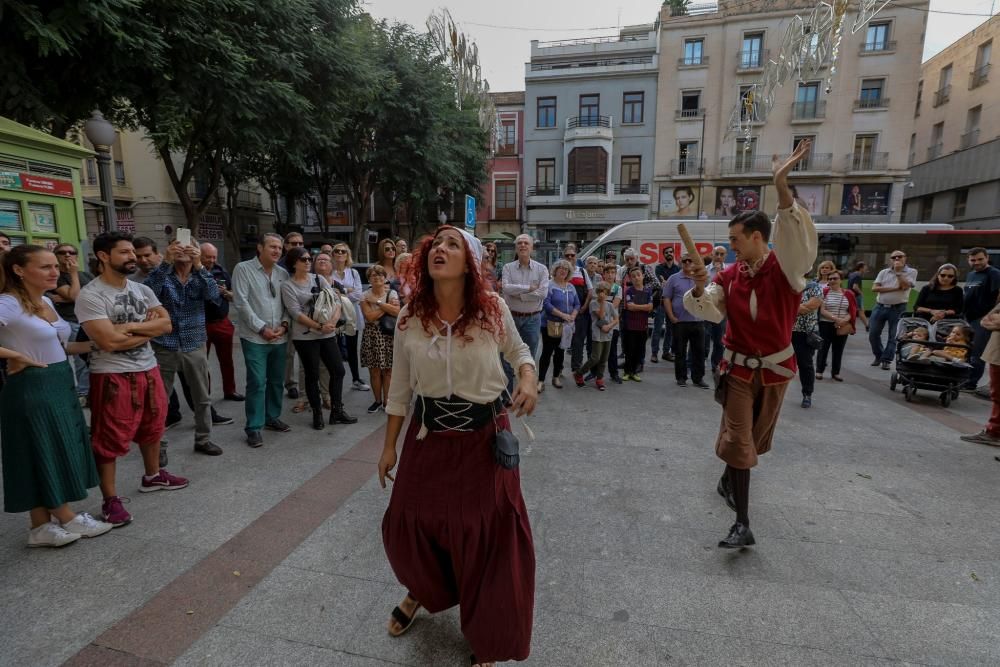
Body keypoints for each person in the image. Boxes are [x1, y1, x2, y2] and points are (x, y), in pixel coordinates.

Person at [378, 226, 538, 667]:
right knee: (408, 526)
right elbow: (399, 390)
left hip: (484, 439)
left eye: (452, 244)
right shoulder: (410, 315)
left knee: (485, 536)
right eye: (435, 245)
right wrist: (389, 447)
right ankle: (424, 589)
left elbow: (521, 351)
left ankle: (486, 632)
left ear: (469, 262)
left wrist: (528, 378)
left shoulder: (492, 310)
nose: (440, 250)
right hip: (427, 437)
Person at [685, 140, 817, 549]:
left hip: (776, 371)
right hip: (737, 370)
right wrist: (699, 289)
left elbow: (796, 237)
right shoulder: (729, 275)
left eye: (736, 238)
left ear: (758, 237)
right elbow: (712, 311)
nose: (731, 245)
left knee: (755, 444)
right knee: (741, 442)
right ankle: (743, 523)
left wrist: (781, 186)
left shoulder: (787, 269)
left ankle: (729, 475)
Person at [1, 245, 114, 547]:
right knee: (44, 449)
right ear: (19, 270)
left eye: (55, 266)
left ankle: (40, 527)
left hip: (59, 382)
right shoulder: (8, 303)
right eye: (46, 267)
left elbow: (62, 347)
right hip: (32, 387)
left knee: (45, 451)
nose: (55, 271)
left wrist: (102, 344)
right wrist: (13, 355)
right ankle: (66, 516)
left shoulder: (46, 302)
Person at [76, 231, 188, 527]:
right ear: (103, 256)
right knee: (109, 438)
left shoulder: (141, 289)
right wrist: (144, 329)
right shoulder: (91, 295)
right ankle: (110, 500)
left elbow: (166, 325)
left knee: (154, 425)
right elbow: (108, 342)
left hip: (148, 369)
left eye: (133, 253)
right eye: (124, 252)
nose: (133, 258)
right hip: (111, 374)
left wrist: (127, 329)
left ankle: (152, 476)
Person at [144, 237, 228, 456]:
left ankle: (203, 439)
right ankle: (158, 446)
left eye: (188, 246)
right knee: (159, 400)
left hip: (194, 343)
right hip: (164, 344)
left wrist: (199, 264)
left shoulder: (201, 275)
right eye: (177, 245)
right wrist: (165, 263)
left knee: (202, 396)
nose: (183, 250)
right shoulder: (162, 275)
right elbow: (146, 294)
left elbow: (213, 295)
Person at [281, 247, 357, 430]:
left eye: (309, 259)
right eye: (303, 259)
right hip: (305, 337)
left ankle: (337, 411)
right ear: (293, 263)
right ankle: (317, 413)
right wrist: (319, 327)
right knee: (312, 374)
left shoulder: (319, 279)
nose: (308, 262)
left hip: (327, 333)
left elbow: (336, 301)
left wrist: (331, 322)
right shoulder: (287, 285)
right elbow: (295, 313)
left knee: (338, 371)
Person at [232, 233, 292, 448]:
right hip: (255, 337)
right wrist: (262, 328)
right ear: (260, 248)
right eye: (272, 247)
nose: (277, 251)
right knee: (257, 382)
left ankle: (271, 417)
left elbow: (288, 303)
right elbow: (241, 303)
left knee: (276, 381)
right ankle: (254, 427)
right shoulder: (243, 269)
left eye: (279, 247)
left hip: (279, 337)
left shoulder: (283, 274)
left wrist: (284, 325)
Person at [500, 234, 548, 393]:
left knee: (529, 356)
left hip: (532, 318)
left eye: (526, 243)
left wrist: (518, 294)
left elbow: (542, 293)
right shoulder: (508, 267)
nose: (522, 245)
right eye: (519, 243)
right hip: (511, 317)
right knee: (507, 356)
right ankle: (507, 393)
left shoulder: (542, 269)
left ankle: (524, 391)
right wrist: (528, 289)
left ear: (532, 247)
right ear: (516, 247)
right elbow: (506, 288)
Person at [49, 243, 94, 405]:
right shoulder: (57, 276)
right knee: (81, 360)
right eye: (62, 252)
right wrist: (73, 275)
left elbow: (96, 296)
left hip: (88, 320)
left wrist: (68, 297)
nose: (67, 255)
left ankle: (87, 391)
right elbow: (75, 296)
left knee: (90, 357)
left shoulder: (87, 275)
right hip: (71, 321)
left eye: (71, 252)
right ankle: (83, 393)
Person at [200, 242, 243, 401]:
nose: (211, 260)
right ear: (199, 255)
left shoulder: (220, 270)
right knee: (203, 363)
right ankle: (205, 395)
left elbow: (234, 294)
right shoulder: (193, 271)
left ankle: (230, 390)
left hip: (222, 321)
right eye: (207, 257)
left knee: (227, 360)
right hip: (202, 323)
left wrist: (226, 293)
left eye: (214, 257)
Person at [329, 242, 370, 392]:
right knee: (335, 350)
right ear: (332, 255)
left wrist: (341, 291)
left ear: (347, 256)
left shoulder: (353, 273)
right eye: (337, 251)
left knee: (352, 349)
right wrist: (348, 290)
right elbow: (330, 295)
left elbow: (358, 295)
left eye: (343, 251)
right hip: (334, 317)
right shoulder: (328, 273)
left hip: (352, 316)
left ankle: (356, 379)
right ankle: (334, 382)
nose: (340, 254)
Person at [360, 264, 400, 413]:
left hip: (388, 335)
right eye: (373, 275)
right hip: (372, 335)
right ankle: (377, 401)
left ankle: (386, 401)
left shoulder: (392, 293)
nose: (377, 278)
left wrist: (377, 303)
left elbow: (397, 312)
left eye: (380, 275)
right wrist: (386, 307)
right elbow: (369, 317)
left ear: (385, 278)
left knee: (388, 370)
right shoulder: (364, 295)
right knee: (375, 371)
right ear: (369, 279)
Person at [664, 254, 708, 388]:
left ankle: (698, 379)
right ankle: (681, 377)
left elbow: (709, 295)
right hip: (680, 321)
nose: (688, 263)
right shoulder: (673, 278)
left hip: (698, 321)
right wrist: (671, 317)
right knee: (680, 351)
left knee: (699, 352)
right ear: (680, 262)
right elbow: (666, 298)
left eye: (691, 261)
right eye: (685, 261)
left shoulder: (700, 278)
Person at [868, 250, 917, 371]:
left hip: (898, 307)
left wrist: (899, 273)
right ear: (890, 259)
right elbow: (874, 288)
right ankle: (879, 355)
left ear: (905, 258)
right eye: (893, 257)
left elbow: (905, 286)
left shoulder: (911, 272)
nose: (896, 259)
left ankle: (886, 360)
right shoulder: (884, 272)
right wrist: (895, 288)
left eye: (899, 257)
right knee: (873, 334)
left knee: (893, 335)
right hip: (880, 306)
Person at [960, 303, 1000, 446]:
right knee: (997, 394)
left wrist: (996, 321)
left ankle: (994, 432)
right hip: (996, 353)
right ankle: (993, 432)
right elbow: (985, 320)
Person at [962, 247, 1000, 391]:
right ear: (968, 260)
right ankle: (964, 379)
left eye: (980, 259)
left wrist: (991, 314)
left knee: (976, 353)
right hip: (968, 318)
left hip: (982, 319)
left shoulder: (994, 273)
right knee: (966, 351)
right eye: (973, 260)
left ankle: (971, 383)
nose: (976, 262)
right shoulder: (971, 274)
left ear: (987, 257)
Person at [538, 259, 579, 390]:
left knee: (560, 352)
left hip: (566, 326)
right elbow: (546, 304)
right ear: (555, 270)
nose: (563, 270)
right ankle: (540, 380)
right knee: (547, 353)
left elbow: (577, 304)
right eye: (560, 268)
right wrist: (563, 315)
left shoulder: (571, 287)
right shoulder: (549, 285)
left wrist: (573, 315)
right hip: (550, 325)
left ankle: (556, 377)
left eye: (566, 269)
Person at [574, 282, 618, 390]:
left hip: (608, 334)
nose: (602, 294)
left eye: (605, 292)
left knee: (604, 359)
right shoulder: (593, 303)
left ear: (608, 293)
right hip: (597, 334)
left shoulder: (610, 305)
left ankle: (599, 379)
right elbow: (601, 316)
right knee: (595, 358)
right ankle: (579, 373)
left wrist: (610, 326)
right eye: (600, 292)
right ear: (597, 292)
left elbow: (616, 318)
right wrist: (602, 302)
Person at [277, 232, 305, 398]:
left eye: (300, 243)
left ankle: (305, 387)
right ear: (286, 246)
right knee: (288, 354)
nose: (298, 247)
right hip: (285, 317)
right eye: (294, 244)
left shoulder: (307, 262)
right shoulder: (279, 267)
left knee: (305, 355)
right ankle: (290, 384)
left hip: (304, 317)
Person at [815, 272, 857, 382]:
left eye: (835, 278)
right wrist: (836, 319)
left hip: (842, 325)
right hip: (826, 324)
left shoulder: (849, 294)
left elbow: (852, 311)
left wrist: (843, 320)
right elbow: (822, 310)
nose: (832, 280)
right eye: (830, 279)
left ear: (840, 280)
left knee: (838, 350)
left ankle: (836, 373)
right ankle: (819, 371)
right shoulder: (824, 292)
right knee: (823, 348)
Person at [791, 274, 823, 408]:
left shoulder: (815, 287)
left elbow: (811, 306)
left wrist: (788, 308)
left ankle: (807, 394)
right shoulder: (788, 286)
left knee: (805, 365)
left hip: (805, 333)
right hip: (786, 331)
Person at [622, 266, 653, 381]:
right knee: (629, 349)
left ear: (643, 276)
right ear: (630, 278)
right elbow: (630, 307)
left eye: (638, 275)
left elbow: (650, 307)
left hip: (642, 326)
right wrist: (643, 307)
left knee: (639, 350)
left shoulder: (647, 291)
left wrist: (637, 307)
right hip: (630, 325)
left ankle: (634, 372)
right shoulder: (629, 291)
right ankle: (627, 371)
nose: (636, 278)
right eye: (633, 276)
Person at [652, 247, 679, 363]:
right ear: (664, 255)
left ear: (673, 254)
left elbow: (674, 284)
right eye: (666, 252)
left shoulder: (677, 268)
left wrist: (667, 282)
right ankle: (654, 353)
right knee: (657, 328)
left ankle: (666, 352)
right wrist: (668, 283)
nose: (669, 254)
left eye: (671, 252)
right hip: (660, 302)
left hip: (672, 303)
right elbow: (660, 283)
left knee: (670, 329)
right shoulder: (658, 267)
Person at [705, 246, 729, 370]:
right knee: (703, 340)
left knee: (719, 342)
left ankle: (716, 365)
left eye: (722, 254)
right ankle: (699, 364)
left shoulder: (729, 271)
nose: (719, 256)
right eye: (717, 254)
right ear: (712, 255)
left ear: (725, 256)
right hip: (705, 310)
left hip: (720, 312)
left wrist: (721, 274)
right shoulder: (705, 271)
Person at [601, 263, 624, 384]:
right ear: (603, 274)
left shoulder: (617, 288)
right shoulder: (599, 287)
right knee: (597, 350)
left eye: (612, 273)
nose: (610, 275)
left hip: (612, 324)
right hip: (599, 322)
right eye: (608, 273)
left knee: (612, 350)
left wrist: (603, 306)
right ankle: (595, 372)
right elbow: (596, 303)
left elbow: (615, 304)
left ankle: (614, 373)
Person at [846, 261, 869, 331]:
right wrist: (861, 293)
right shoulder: (858, 275)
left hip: (850, 295)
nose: (866, 270)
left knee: (851, 311)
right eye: (865, 268)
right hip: (856, 296)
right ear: (861, 268)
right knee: (861, 311)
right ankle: (867, 326)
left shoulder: (852, 274)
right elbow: (855, 287)